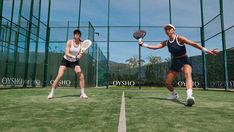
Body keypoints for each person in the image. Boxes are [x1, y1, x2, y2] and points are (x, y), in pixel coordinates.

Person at [139, 24, 219, 106]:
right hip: (175, 61)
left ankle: (189, 96)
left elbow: (193, 43)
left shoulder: (179, 38)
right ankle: (174, 94)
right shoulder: (166, 42)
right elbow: (155, 47)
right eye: (166, 29)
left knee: (187, 74)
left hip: (184, 59)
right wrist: (143, 45)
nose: (167, 30)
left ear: (173, 30)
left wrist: (207, 50)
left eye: (169, 29)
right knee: (167, 83)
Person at [48, 29, 88, 99]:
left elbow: (81, 54)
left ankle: (82, 93)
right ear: (74, 35)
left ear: (80, 36)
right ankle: (52, 92)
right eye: (75, 34)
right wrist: (74, 56)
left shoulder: (81, 44)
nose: (77, 35)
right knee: (59, 76)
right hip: (66, 60)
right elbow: (66, 53)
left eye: (78, 34)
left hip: (75, 62)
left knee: (81, 76)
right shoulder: (69, 42)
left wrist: (80, 56)